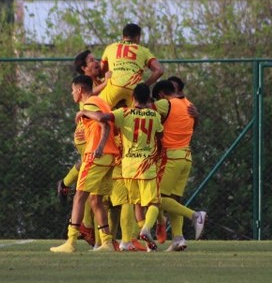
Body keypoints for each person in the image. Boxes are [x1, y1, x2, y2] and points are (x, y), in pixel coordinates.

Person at [78, 83, 164, 252]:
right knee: (153, 203)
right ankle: (146, 228)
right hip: (146, 165)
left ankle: (133, 242)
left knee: (132, 203)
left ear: (132, 98)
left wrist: (83, 112)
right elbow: (160, 136)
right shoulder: (154, 116)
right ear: (148, 99)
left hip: (128, 167)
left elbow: (103, 118)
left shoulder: (124, 113)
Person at [50, 75, 119, 253]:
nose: (72, 94)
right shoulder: (101, 101)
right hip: (109, 157)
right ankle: (107, 243)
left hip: (95, 156)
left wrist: (83, 113)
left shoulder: (89, 105)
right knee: (96, 200)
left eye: (73, 90)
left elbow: (104, 123)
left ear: (79, 90)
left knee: (79, 196)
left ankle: (71, 242)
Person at [152, 79, 206, 251]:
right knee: (174, 200)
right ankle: (178, 238)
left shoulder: (165, 103)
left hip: (170, 158)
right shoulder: (189, 104)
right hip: (186, 158)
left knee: (157, 199)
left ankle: (195, 216)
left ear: (160, 94)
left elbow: (143, 111)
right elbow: (193, 127)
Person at [98, 23, 164, 108]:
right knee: (136, 117)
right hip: (135, 90)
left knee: (96, 108)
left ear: (123, 36)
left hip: (115, 86)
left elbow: (101, 72)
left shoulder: (110, 47)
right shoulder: (143, 50)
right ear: (137, 37)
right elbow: (159, 70)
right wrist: (144, 86)